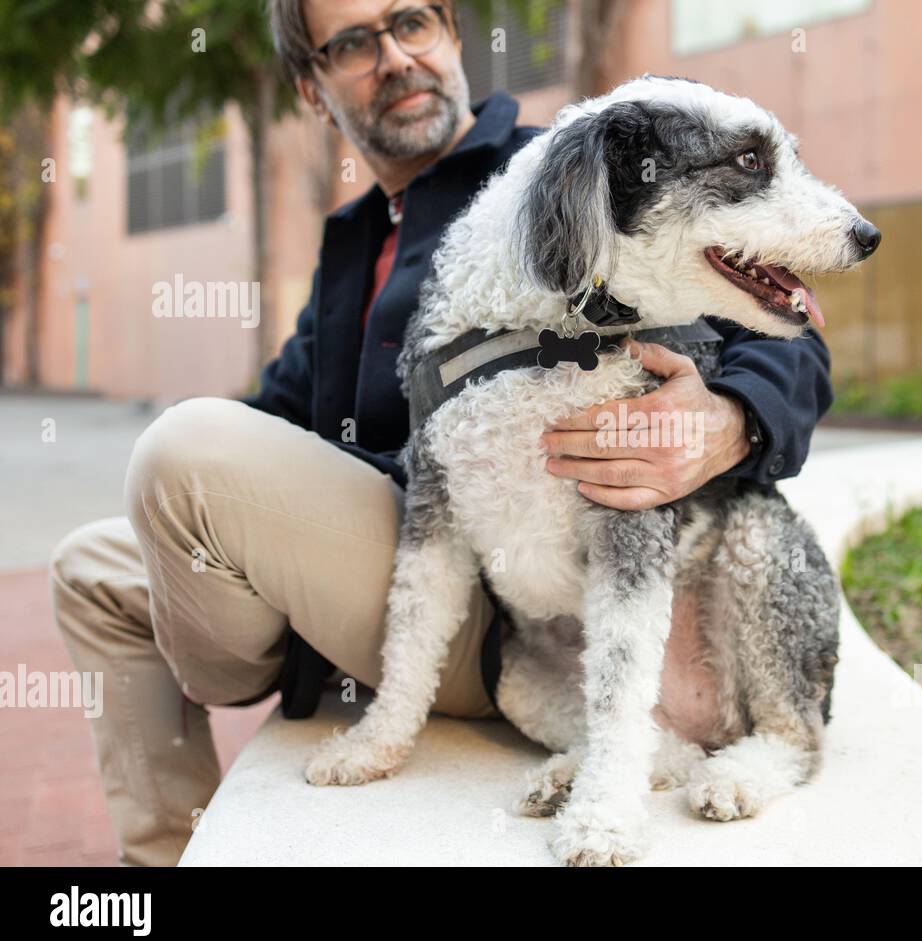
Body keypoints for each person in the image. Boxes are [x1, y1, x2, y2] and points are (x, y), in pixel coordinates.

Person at [49, 0, 833, 866]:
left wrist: (732, 418)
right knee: (92, 564)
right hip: (406, 537)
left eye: (411, 21)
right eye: (351, 44)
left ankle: (234, 659)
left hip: (506, 607)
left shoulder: (562, 173)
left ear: (453, 36)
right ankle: (164, 858)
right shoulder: (352, 240)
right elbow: (282, 419)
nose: (393, 57)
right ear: (313, 89)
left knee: (183, 451)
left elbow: (789, 339)